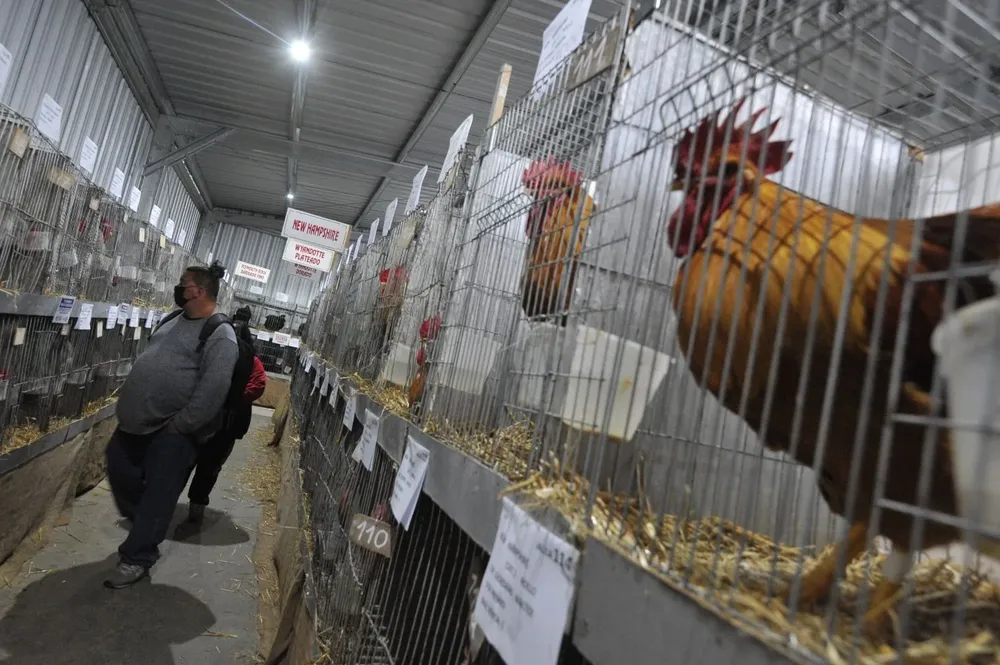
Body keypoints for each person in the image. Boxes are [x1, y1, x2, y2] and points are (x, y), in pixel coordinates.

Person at [104, 262, 239, 589]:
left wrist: (182, 425)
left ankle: (138, 556)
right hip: (136, 423)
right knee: (118, 464)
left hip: (172, 431)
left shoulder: (220, 334)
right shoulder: (172, 318)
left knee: (160, 492)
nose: (179, 288)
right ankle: (148, 522)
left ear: (199, 291)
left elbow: (214, 389)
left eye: (183, 283)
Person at [182, 322, 266, 526]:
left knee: (186, 461)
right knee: (210, 466)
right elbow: (258, 385)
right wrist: (236, 399)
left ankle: (169, 502)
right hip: (228, 423)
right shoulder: (253, 361)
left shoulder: (213, 351)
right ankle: (196, 509)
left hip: (204, 416)